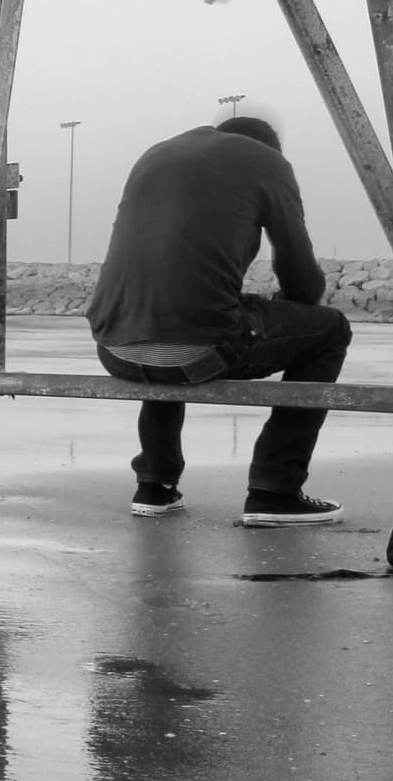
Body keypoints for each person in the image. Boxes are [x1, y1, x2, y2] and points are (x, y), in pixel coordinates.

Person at [86, 112, 352, 524]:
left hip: (115, 349)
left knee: (166, 314)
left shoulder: (156, 154)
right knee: (331, 329)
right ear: (269, 148)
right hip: (198, 356)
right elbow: (300, 275)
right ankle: (275, 490)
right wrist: (298, 304)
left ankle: (155, 485)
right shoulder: (268, 162)